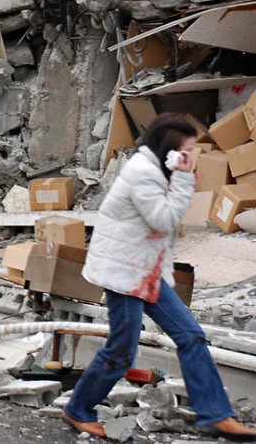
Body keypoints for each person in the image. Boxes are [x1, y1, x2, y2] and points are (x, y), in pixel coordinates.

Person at [62, 114, 256, 441]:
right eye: (186, 150)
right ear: (168, 147)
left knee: (191, 335)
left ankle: (215, 415)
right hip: (124, 273)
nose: (190, 157)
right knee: (122, 350)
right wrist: (182, 178)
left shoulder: (155, 172)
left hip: (145, 273)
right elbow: (164, 219)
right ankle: (79, 408)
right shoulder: (142, 173)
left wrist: (178, 176)